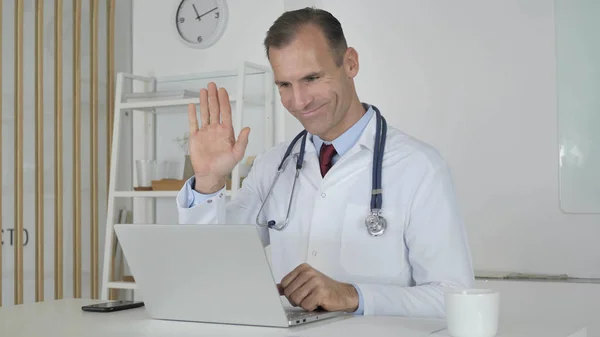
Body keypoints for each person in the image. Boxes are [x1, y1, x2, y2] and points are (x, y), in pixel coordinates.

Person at [176, 7, 474, 318]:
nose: (300, 101)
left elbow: (452, 297)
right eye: (285, 85)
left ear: (350, 63)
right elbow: (211, 263)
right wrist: (208, 182)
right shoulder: (273, 166)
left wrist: (353, 296)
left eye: (312, 78)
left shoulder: (419, 167)